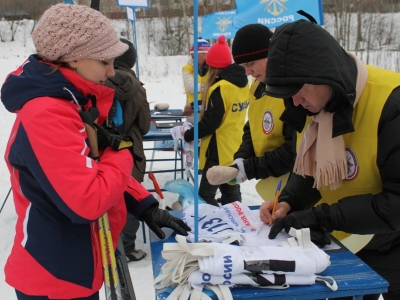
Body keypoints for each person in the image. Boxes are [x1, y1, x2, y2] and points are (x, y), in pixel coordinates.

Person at [0, 4, 190, 300]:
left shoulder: (71, 104)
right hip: (54, 278)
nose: (112, 72)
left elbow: (91, 167)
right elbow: (87, 201)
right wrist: (122, 151)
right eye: (105, 61)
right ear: (73, 58)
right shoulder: (47, 114)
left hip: (76, 266)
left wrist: (144, 205)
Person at [260, 19, 400, 300]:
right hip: (350, 241)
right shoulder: (315, 106)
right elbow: (310, 169)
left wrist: (320, 217)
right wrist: (289, 201)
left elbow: (396, 204)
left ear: (324, 74)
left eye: (299, 92)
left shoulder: (391, 103)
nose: (295, 102)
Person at [206, 24, 296, 201]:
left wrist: (247, 168)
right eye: (243, 66)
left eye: (250, 64)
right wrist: (241, 159)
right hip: (277, 189)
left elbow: (293, 152)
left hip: (299, 189)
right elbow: (252, 127)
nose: (248, 72)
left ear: (270, 54)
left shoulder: (293, 92)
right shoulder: (258, 86)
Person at [183, 35, 249, 206]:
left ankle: (211, 226)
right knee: (231, 193)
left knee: (205, 197)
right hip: (233, 144)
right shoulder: (242, 83)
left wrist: (189, 133)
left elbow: (211, 122)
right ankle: (238, 220)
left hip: (217, 149)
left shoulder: (220, 87)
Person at [105, 38, 150, 262]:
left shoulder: (96, 79)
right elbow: (145, 125)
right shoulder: (136, 87)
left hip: (101, 147)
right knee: (130, 193)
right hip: (129, 149)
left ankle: (105, 247)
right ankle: (127, 247)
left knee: (104, 195)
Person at [182, 37, 210, 122]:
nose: (194, 58)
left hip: (207, 108)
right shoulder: (188, 68)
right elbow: (192, 87)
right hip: (192, 111)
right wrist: (207, 87)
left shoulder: (212, 68)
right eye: (193, 56)